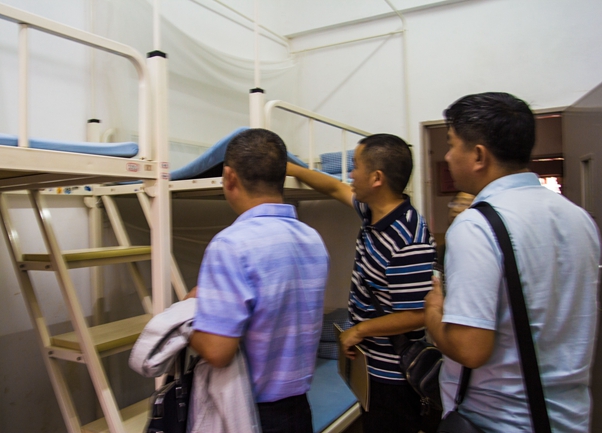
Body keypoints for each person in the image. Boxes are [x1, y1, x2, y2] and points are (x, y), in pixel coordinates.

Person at [425, 92, 600, 432]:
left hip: (499, 421)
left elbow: (470, 348)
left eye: (451, 145)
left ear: (478, 155)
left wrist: (433, 313)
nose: (447, 156)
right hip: (569, 418)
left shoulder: (477, 226)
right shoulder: (578, 218)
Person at [287, 134, 436, 433]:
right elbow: (333, 187)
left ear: (377, 178)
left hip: (393, 376)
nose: (351, 174)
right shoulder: (372, 212)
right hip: (371, 367)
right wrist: (291, 169)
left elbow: (418, 314)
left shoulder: (409, 239)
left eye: (355, 166)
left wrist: (358, 330)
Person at [188, 128, 330, 433]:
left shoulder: (230, 244)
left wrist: (188, 314)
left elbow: (217, 352)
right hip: (298, 410)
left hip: (250, 414)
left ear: (229, 177)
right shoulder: (312, 239)